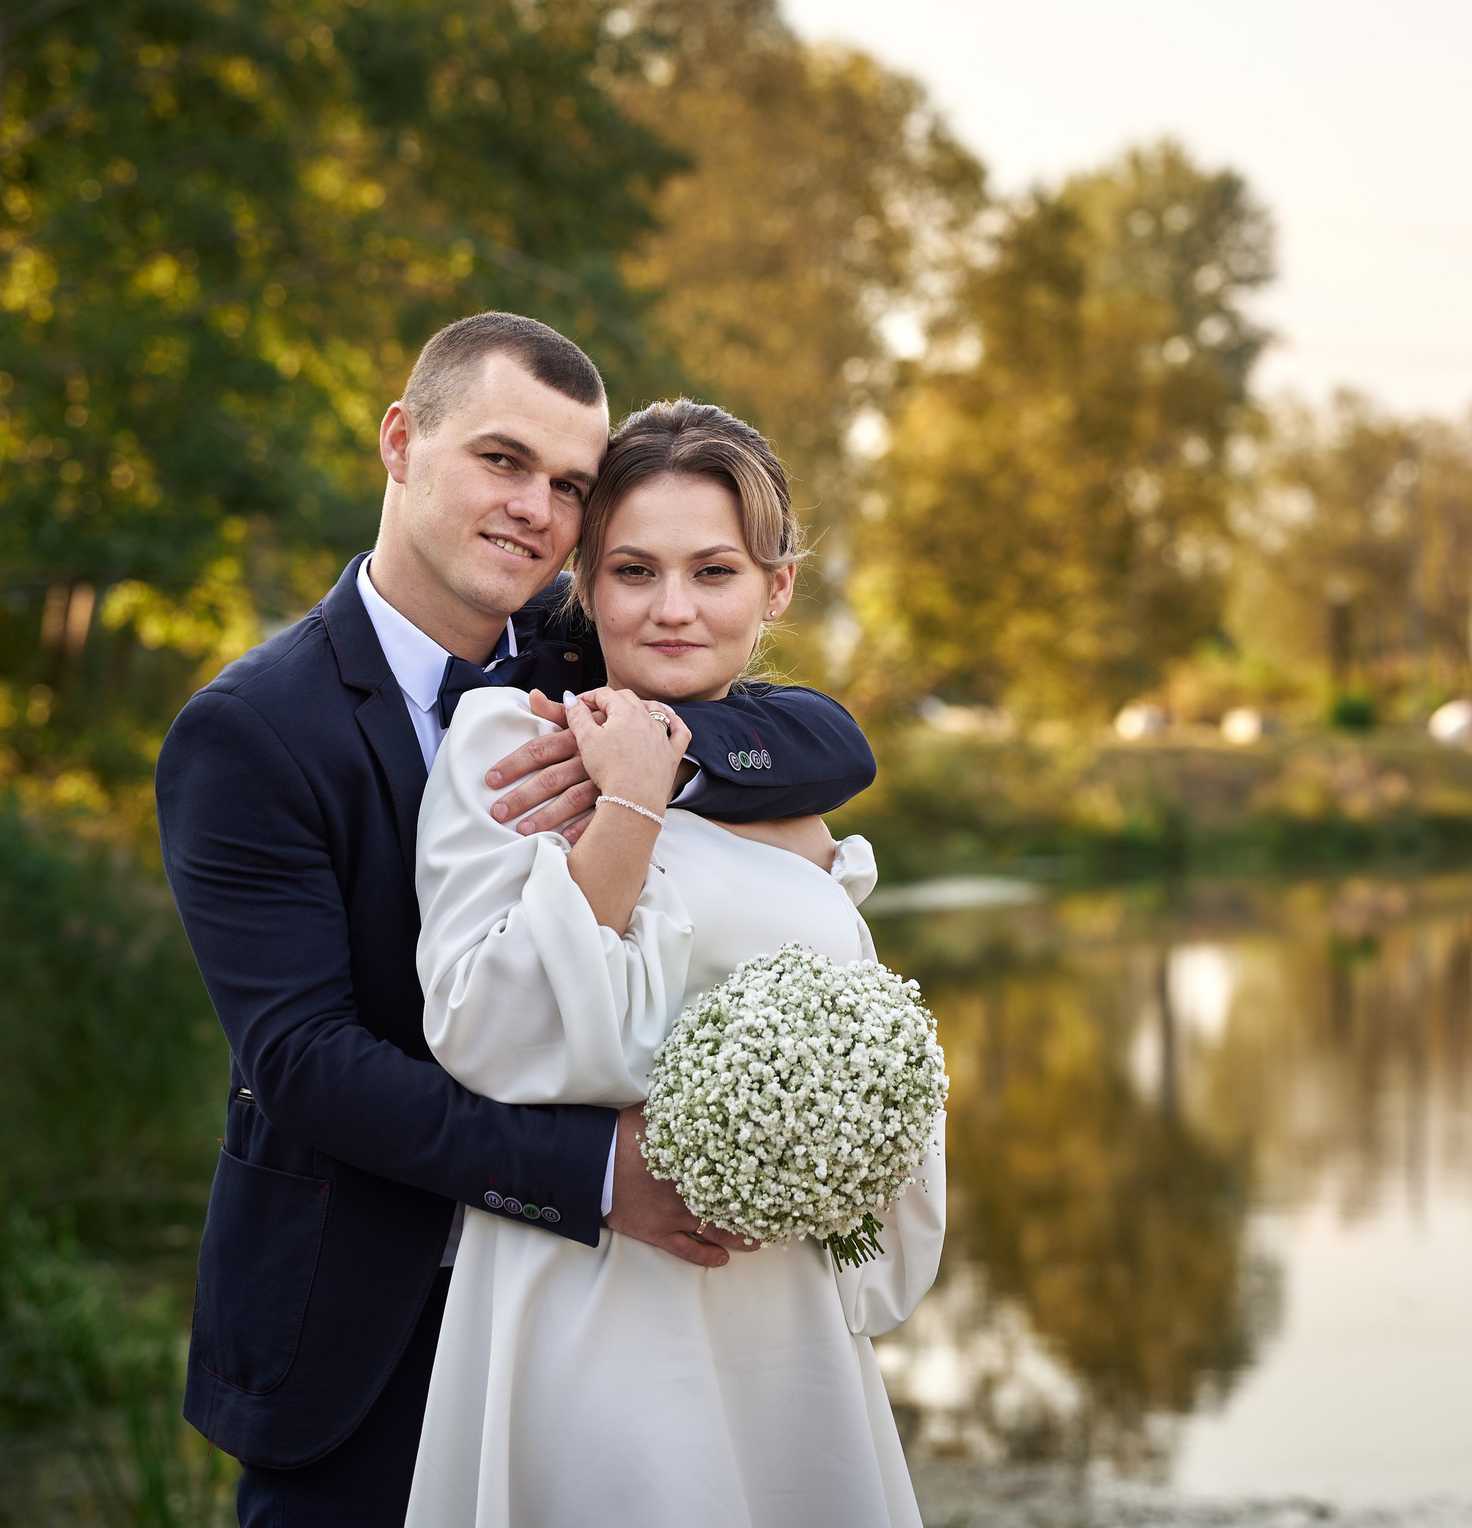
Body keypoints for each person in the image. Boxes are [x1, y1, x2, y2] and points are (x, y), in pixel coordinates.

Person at [154, 315, 879, 1526]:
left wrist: (662, 777)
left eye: (569, 486)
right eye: (502, 460)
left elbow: (822, 733)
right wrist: (599, 1173)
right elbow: (304, 1061)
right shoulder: (251, 728)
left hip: (595, 1318)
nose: (535, 509)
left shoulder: (575, 646)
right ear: (401, 440)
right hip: (363, 1318)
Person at [402, 399, 945, 1528]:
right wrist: (629, 803)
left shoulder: (787, 781)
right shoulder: (514, 742)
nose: (673, 608)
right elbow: (496, 1033)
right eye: (634, 570)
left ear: (775, 587)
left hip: (777, 1290)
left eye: (714, 570)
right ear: (585, 585)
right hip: (587, 1294)